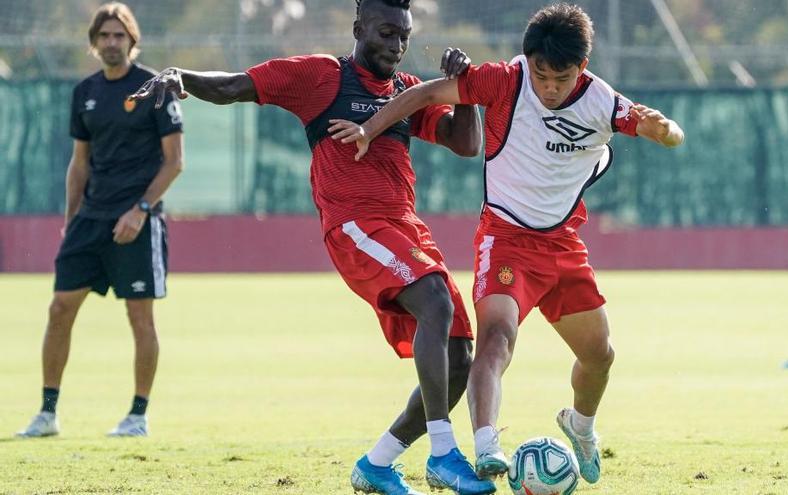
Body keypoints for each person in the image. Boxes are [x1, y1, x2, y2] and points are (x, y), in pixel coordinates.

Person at [129, 1, 495, 494]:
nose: (396, 44)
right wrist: (181, 77)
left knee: (460, 354)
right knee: (432, 299)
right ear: (358, 28)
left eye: (403, 36)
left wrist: (467, 92)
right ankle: (444, 453)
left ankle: (377, 464)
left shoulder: (407, 92)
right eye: (386, 33)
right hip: (354, 227)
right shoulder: (320, 77)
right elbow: (235, 86)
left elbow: (466, 144)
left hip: (406, 229)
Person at [329, 1, 685, 486]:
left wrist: (664, 128)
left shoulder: (603, 101)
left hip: (562, 246)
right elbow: (427, 94)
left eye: (560, 78)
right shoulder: (505, 80)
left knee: (600, 356)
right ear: (528, 62)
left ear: (581, 68)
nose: (549, 87)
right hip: (505, 240)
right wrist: (370, 129)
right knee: (495, 340)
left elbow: (669, 137)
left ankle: (580, 428)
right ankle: (487, 446)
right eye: (541, 74)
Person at [16, 2, 184, 439]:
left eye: (119, 35)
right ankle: (48, 413)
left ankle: (137, 415)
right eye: (104, 36)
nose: (112, 42)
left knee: (140, 319)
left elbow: (174, 163)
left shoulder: (155, 88)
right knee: (59, 309)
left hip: (137, 221)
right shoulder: (84, 91)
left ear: (132, 40)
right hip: (90, 220)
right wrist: (71, 219)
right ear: (94, 43)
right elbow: (79, 164)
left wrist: (140, 210)